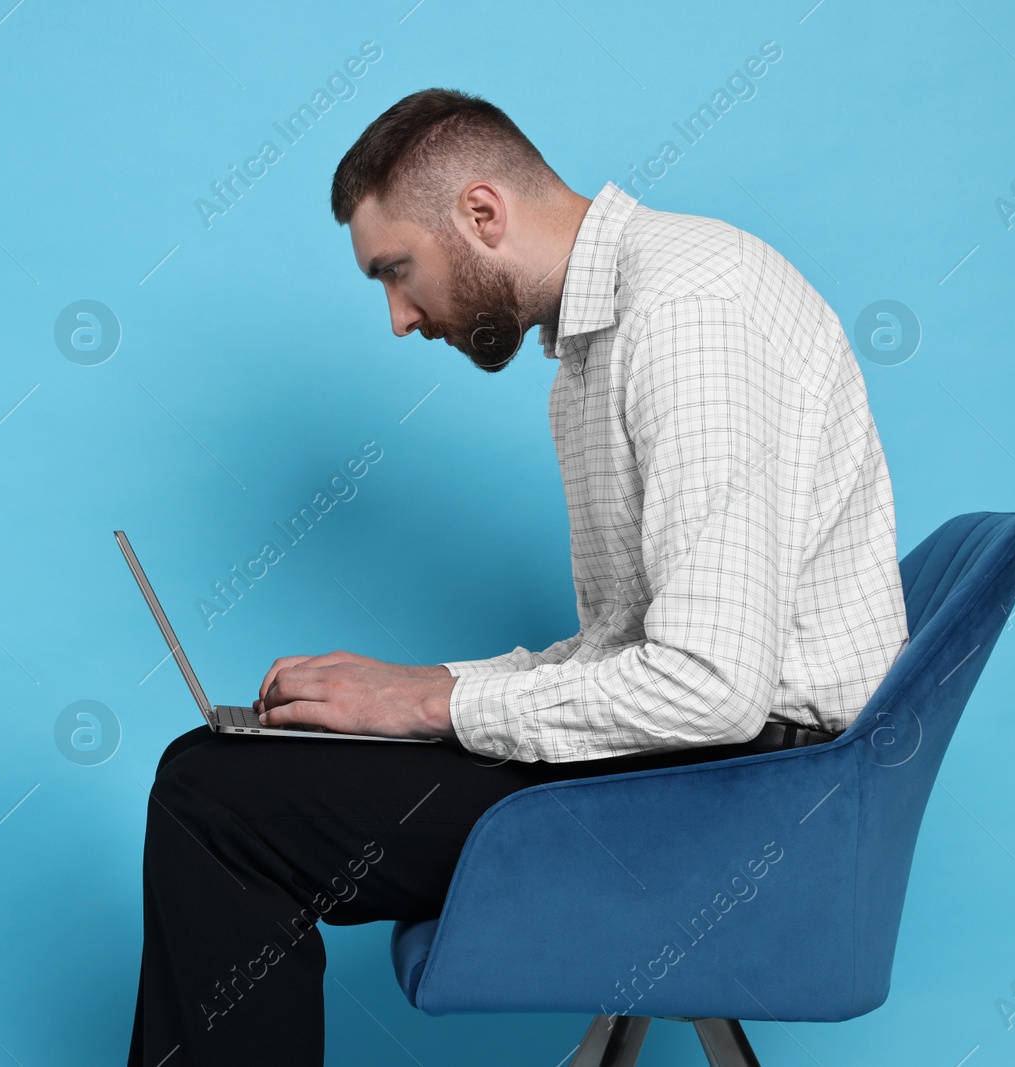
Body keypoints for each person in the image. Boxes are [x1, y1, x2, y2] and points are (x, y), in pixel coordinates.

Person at [126, 87, 908, 1066]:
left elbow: (709, 684)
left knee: (216, 803)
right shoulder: (598, 348)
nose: (399, 320)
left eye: (396, 271)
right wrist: (409, 693)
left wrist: (433, 702)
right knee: (214, 768)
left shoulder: (686, 314)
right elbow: (630, 655)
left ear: (481, 215)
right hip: (710, 765)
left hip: (746, 797)